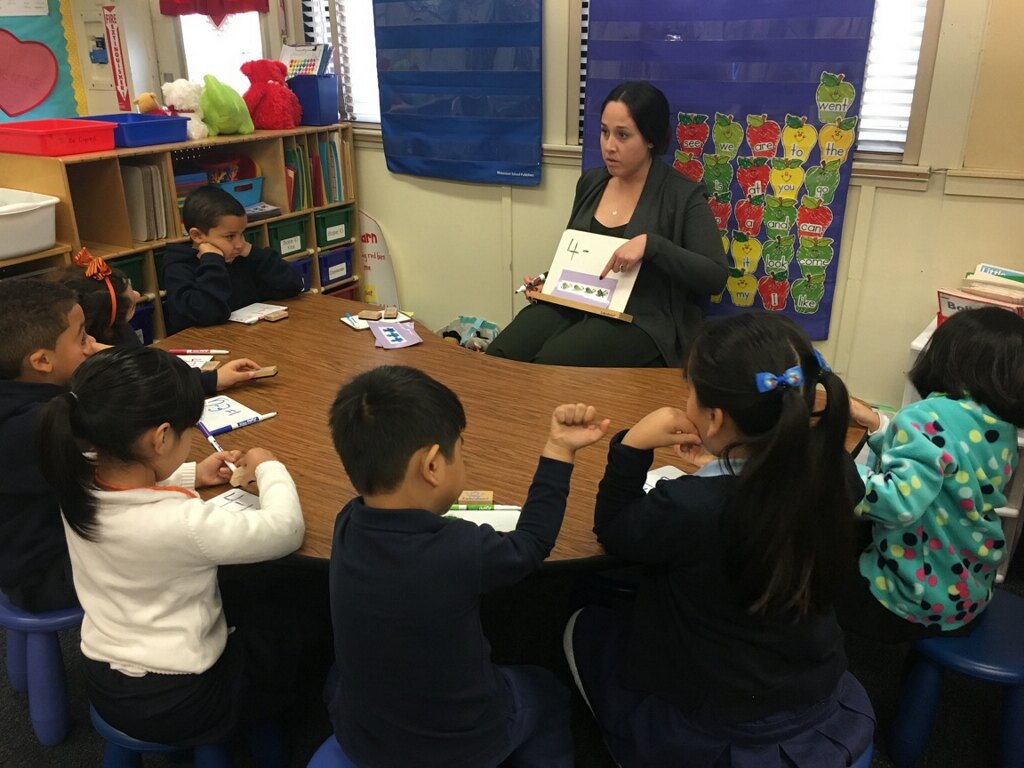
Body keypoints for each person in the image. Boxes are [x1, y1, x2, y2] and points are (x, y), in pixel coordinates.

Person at [565, 313, 874, 767]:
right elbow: (765, 493)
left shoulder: (692, 507)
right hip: (815, 688)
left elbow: (615, 532)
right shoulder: (838, 470)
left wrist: (631, 446)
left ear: (713, 418)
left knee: (581, 625)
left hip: (720, 726)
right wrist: (721, 460)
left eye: (690, 391)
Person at [326, 365, 609, 768]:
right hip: (459, 745)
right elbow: (530, 545)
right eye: (460, 447)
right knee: (548, 691)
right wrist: (560, 451)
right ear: (432, 466)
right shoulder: (459, 549)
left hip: (364, 734)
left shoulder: (347, 523)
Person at [36, 345, 305, 749]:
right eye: (188, 430)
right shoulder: (182, 522)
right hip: (185, 699)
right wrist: (269, 465)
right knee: (297, 627)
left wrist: (191, 473)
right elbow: (285, 529)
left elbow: (127, 486)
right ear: (161, 438)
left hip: (105, 679)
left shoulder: (76, 484)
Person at [487, 81, 728, 367]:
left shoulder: (682, 195)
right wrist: (548, 279)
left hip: (639, 317)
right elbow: (584, 254)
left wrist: (652, 245)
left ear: (650, 138)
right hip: (577, 302)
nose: (609, 146)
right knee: (501, 355)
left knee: (549, 364)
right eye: (604, 132)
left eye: (623, 135)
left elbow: (715, 275)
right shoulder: (591, 182)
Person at [838, 307, 1024, 642]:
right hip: (966, 592)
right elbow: (939, 466)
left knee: (812, 572)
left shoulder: (928, 415)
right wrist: (879, 425)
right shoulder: (1001, 428)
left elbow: (897, 504)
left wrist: (833, 471)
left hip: (909, 600)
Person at [0, 278, 103, 611]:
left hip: (37, 552)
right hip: (45, 573)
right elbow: (116, 465)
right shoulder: (34, 425)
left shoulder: (23, 397)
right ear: (42, 361)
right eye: (83, 337)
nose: (93, 345)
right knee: (184, 550)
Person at [59, 249, 266, 395]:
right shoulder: (105, 366)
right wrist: (211, 380)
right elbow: (155, 382)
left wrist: (214, 379)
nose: (139, 294)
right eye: (132, 304)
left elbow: (156, 376)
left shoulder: (110, 336)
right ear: (110, 322)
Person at [164, 185, 303, 330]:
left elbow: (293, 285)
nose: (239, 244)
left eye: (241, 233)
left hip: (252, 338)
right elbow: (206, 313)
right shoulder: (178, 268)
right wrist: (212, 260)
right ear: (197, 236)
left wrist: (252, 252)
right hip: (210, 343)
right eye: (230, 236)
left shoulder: (241, 256)